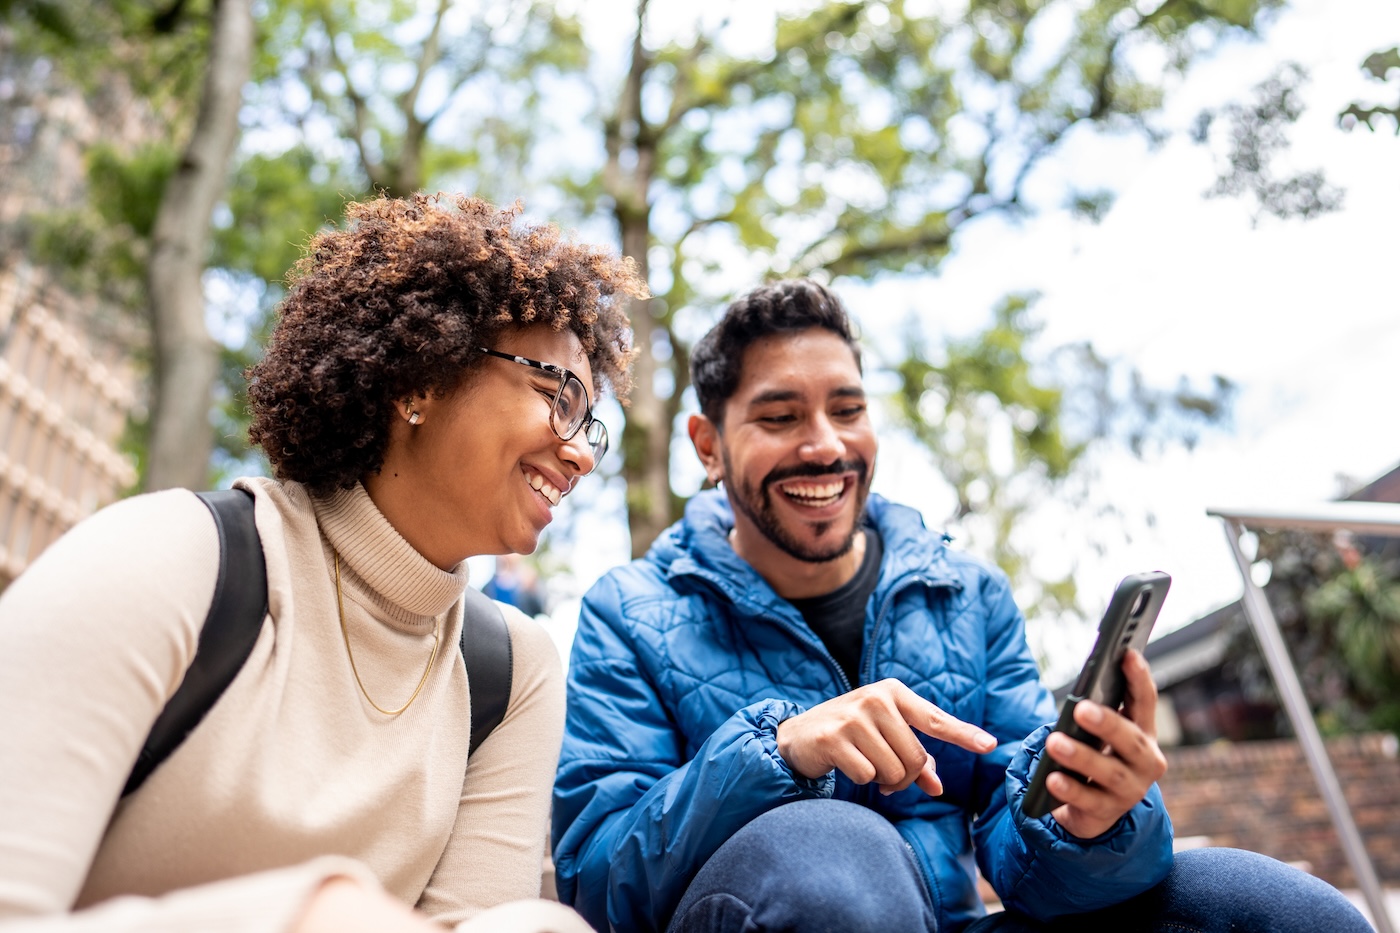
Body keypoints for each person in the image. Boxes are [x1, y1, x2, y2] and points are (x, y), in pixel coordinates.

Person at [550, 279, 1372, 933]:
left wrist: (1089, 821)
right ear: (706, 445)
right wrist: (778, 753)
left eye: (847, 408)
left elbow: (1026, 859)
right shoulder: (630, 611)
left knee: (1269, 907)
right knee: (837, 849)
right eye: (779, 416)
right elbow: (599, 883)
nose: (827, 445)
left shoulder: (967, 593)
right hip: (780, 912)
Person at [0, 193, 643, 933]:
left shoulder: (512, 673)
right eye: (557, 395)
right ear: (420, 379)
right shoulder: (170, 557)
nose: (583, 451)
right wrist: (303, 914)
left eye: (592, 419)